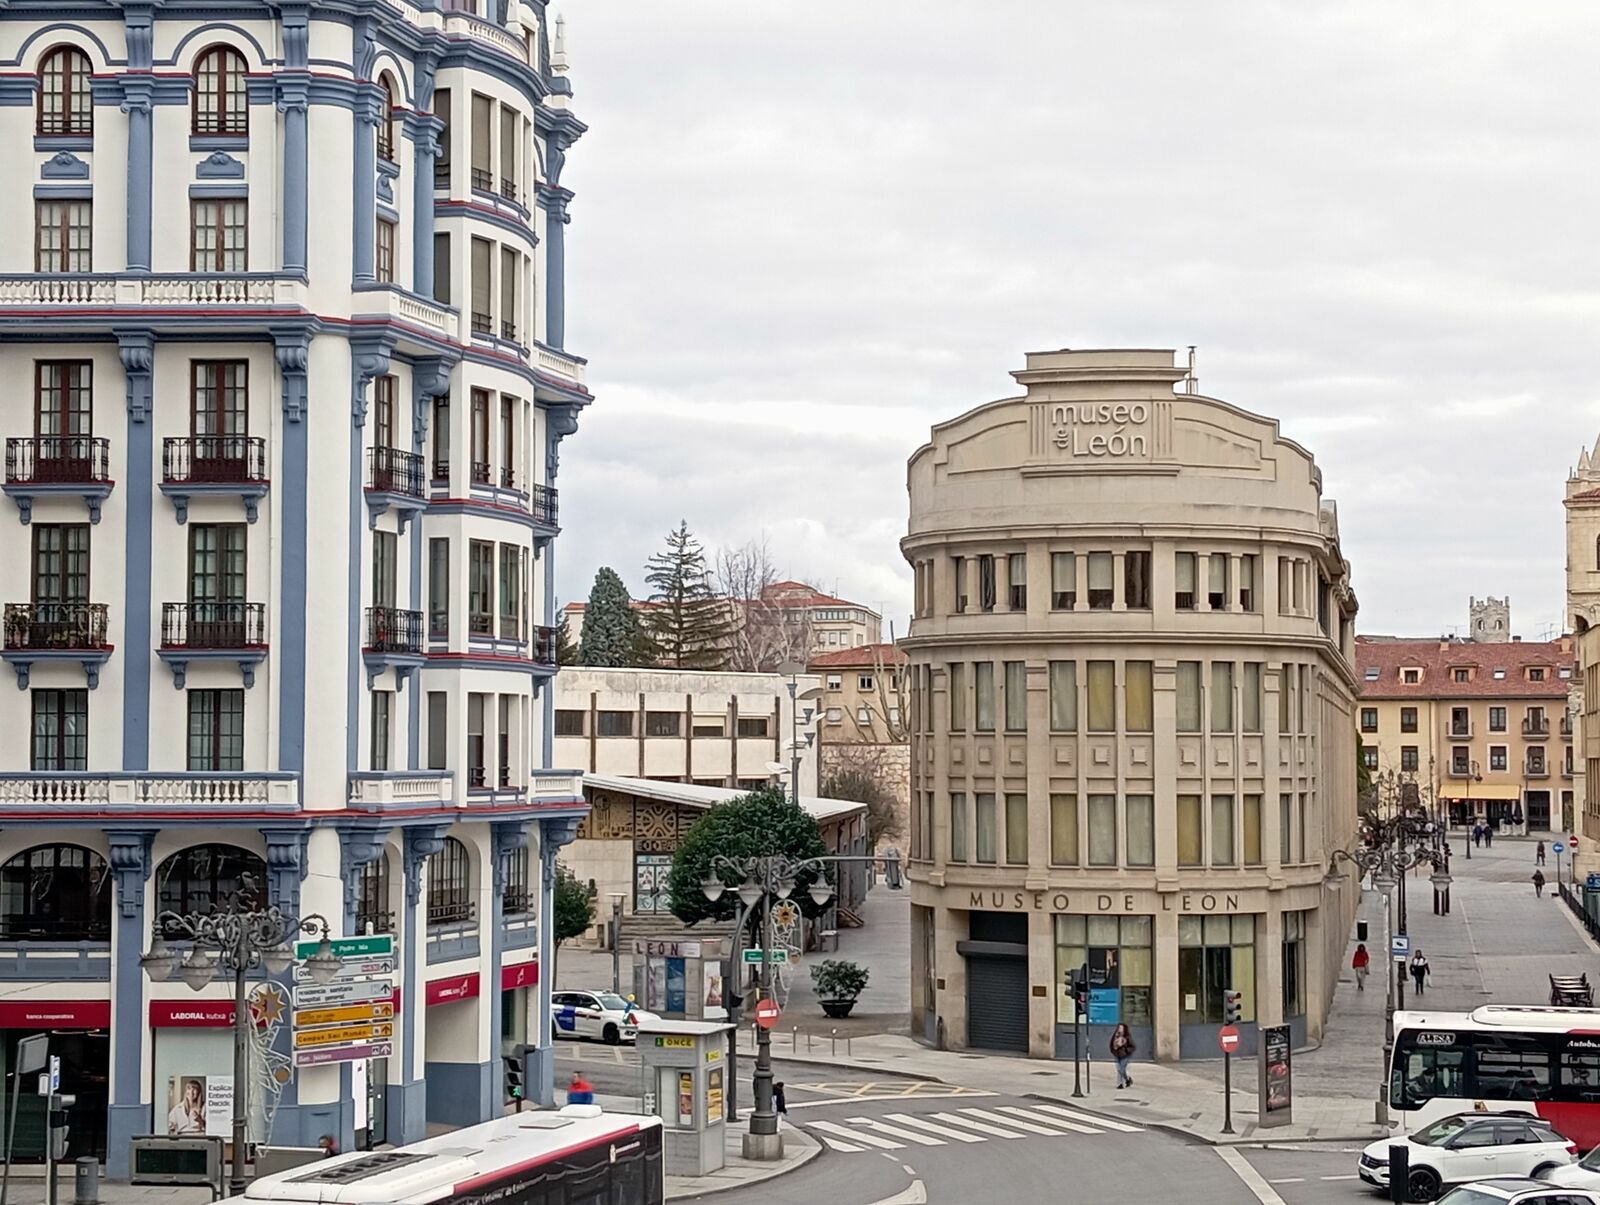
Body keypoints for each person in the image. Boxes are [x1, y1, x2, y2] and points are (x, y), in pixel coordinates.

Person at [1110, 1023, 1136, 1089]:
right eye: (1119, 1028)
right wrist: (1113, 1050)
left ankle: (1121, 1084)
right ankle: (1127, 1080)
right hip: (1117, 1054)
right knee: (1119, 1070)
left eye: (1121, 1028)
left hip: (1125, 1056)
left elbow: (1133, 1046)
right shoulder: (1115, 1036)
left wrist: (1126, 1050)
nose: (1120, 1029)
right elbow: (1111, 1044)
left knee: (1122, 1069)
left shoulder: (1127, 1037)